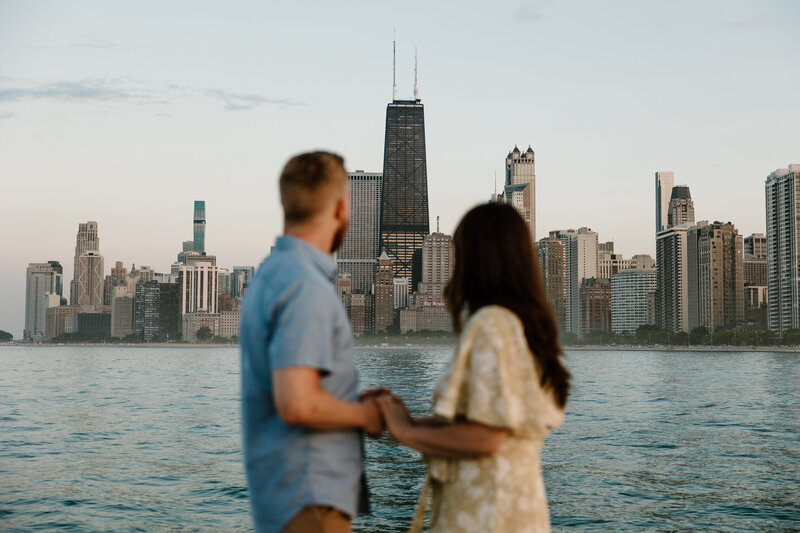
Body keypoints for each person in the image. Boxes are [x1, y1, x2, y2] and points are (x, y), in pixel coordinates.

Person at [377, 202, 571, 533]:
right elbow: (492, 423)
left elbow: (485, 438)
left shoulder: (493, 323)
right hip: (515, 512)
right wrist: (405, 420)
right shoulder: (524, 327)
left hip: (485, 516)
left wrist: (405, 432)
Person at [240, 151, 386, 533]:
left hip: (282, 496)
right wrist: (366, 416)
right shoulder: (306, 286)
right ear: (340, 207)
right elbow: (297, 404)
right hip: (311, 502)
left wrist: (347, 402)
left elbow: (291, 388)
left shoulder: (269, 277)